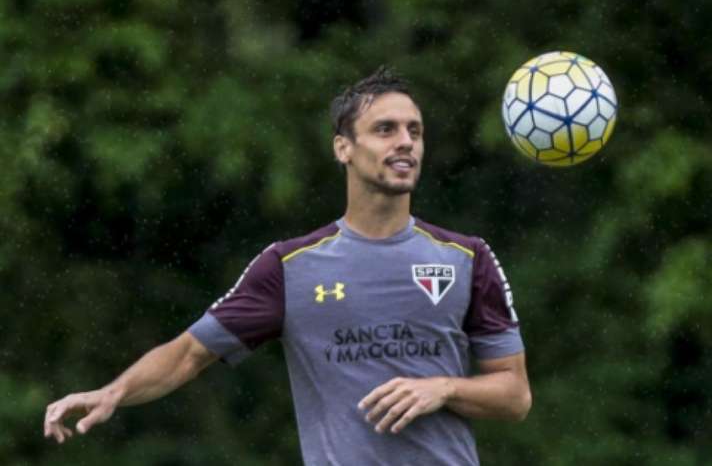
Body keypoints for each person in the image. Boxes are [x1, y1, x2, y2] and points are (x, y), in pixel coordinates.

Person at [44, 67, 532, 465]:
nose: (405, 142)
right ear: (343, 147)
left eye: (415, 131)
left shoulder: (466, 257)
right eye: (385, 129)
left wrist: (444, 388)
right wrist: (115, 392)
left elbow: (514, 395)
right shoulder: (289, 266)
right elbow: (189, 353)